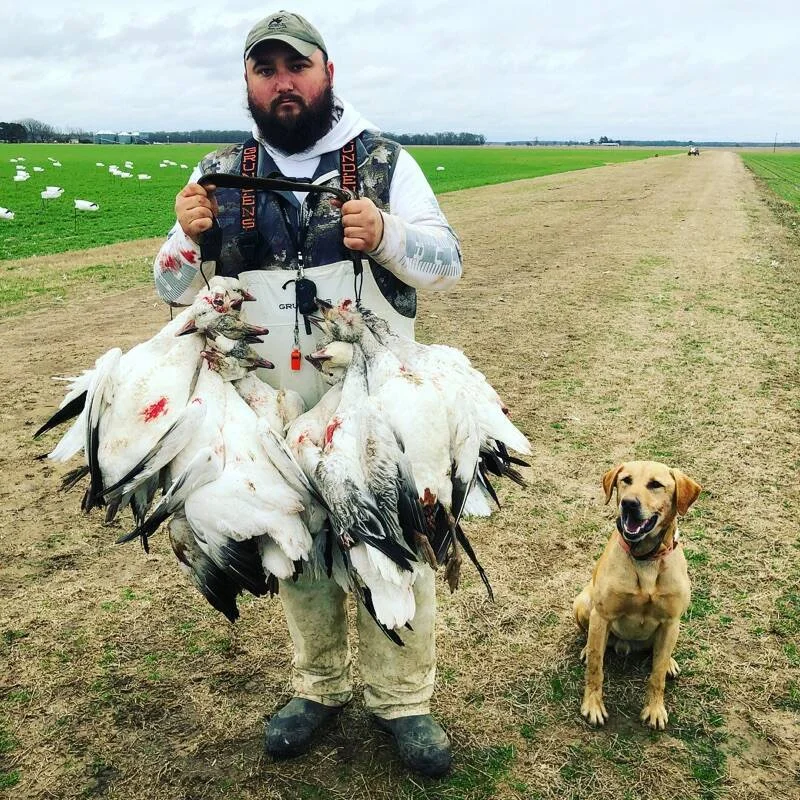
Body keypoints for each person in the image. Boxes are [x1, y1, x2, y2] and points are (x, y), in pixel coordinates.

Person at [153, 10, 462, 778]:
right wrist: (186, 238)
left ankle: (402, 700)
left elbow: (447, 262)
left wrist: (385, 234)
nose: (282, 82)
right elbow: (168, 286)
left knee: (392, 544)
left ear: (328, 73)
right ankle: (318, 687)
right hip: (272, 404)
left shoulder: (385, 163)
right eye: (266, 70)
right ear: (248, 83)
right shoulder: (218, 171)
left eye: (297, 66)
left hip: (375, 404)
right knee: (295, 548)